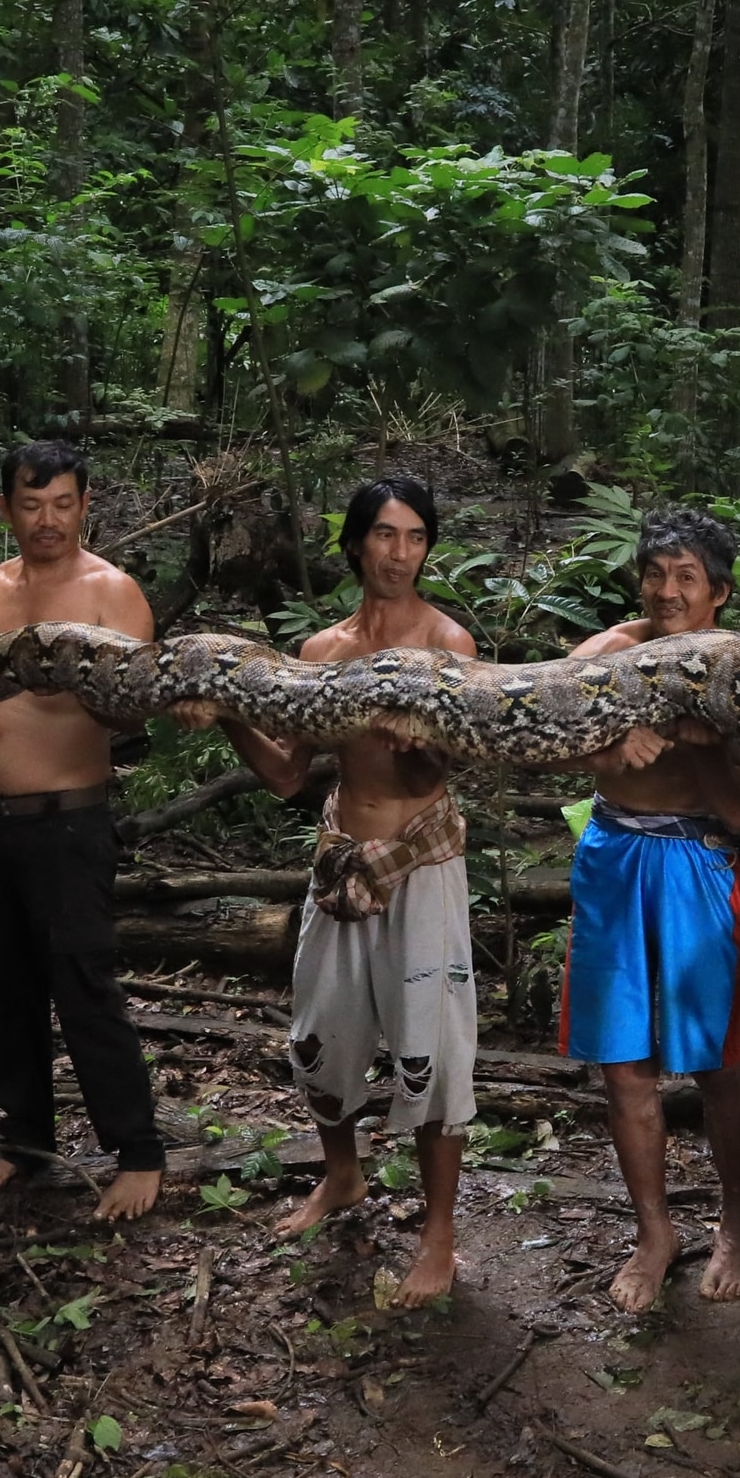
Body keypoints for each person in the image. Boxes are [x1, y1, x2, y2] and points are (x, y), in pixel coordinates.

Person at [215, 476, 479, 1306]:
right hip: (340, 857)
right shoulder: (322, 652)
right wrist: (225, 710)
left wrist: (418, 744)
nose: (400, 554)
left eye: (415, 537)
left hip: (421, 863)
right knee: (319, 1032)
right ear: (357, 544)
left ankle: (439, 1235)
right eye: (385, 535)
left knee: (431, 1048)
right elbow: (287, 775)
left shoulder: (449, 642)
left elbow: (440, 773)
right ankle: (342, 1174)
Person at [0, 441, 207, 1222]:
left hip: (66, 820)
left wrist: (91, 677)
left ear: (85, 505)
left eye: (62, 504)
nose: (47, 520)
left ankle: (138, 1151)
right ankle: (24, 1141)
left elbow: (132, 716)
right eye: (31, 504)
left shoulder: (110, 592)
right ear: (5, 508)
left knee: (83, 985)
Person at [564, 508, 740, 1311]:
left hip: (698, 861)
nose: (667, 590)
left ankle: (736, 1224)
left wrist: (695, 735)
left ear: (719, 592)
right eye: (655, 574)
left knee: (716, 1061)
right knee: (624, 1065)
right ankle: (654, 1233)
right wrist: (607, 745)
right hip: (613, 854)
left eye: (687, 577)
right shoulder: (604, 656)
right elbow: (536, 738)